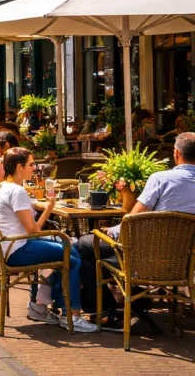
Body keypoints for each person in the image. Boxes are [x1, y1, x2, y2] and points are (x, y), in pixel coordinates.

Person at [76, 132, 195, 330]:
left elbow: (132, 220)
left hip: (145, 256)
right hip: (184, 262)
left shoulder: (161, 179)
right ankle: (138, 300)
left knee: (86, 245)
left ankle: (106, 311)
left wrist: (113, 231)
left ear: (176, 153)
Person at [0, 147, 96, 333]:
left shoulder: (1, 187)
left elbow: (22, 213)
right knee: (72, 257)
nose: (34, 168)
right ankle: (71, 314)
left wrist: (41, 204)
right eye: (31, 164)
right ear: (20, 166)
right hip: (17, 250)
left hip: (5, 247)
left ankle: (40, 302)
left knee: (69, 250)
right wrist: (49, 207)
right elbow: (33, 231)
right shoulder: (17, 191)